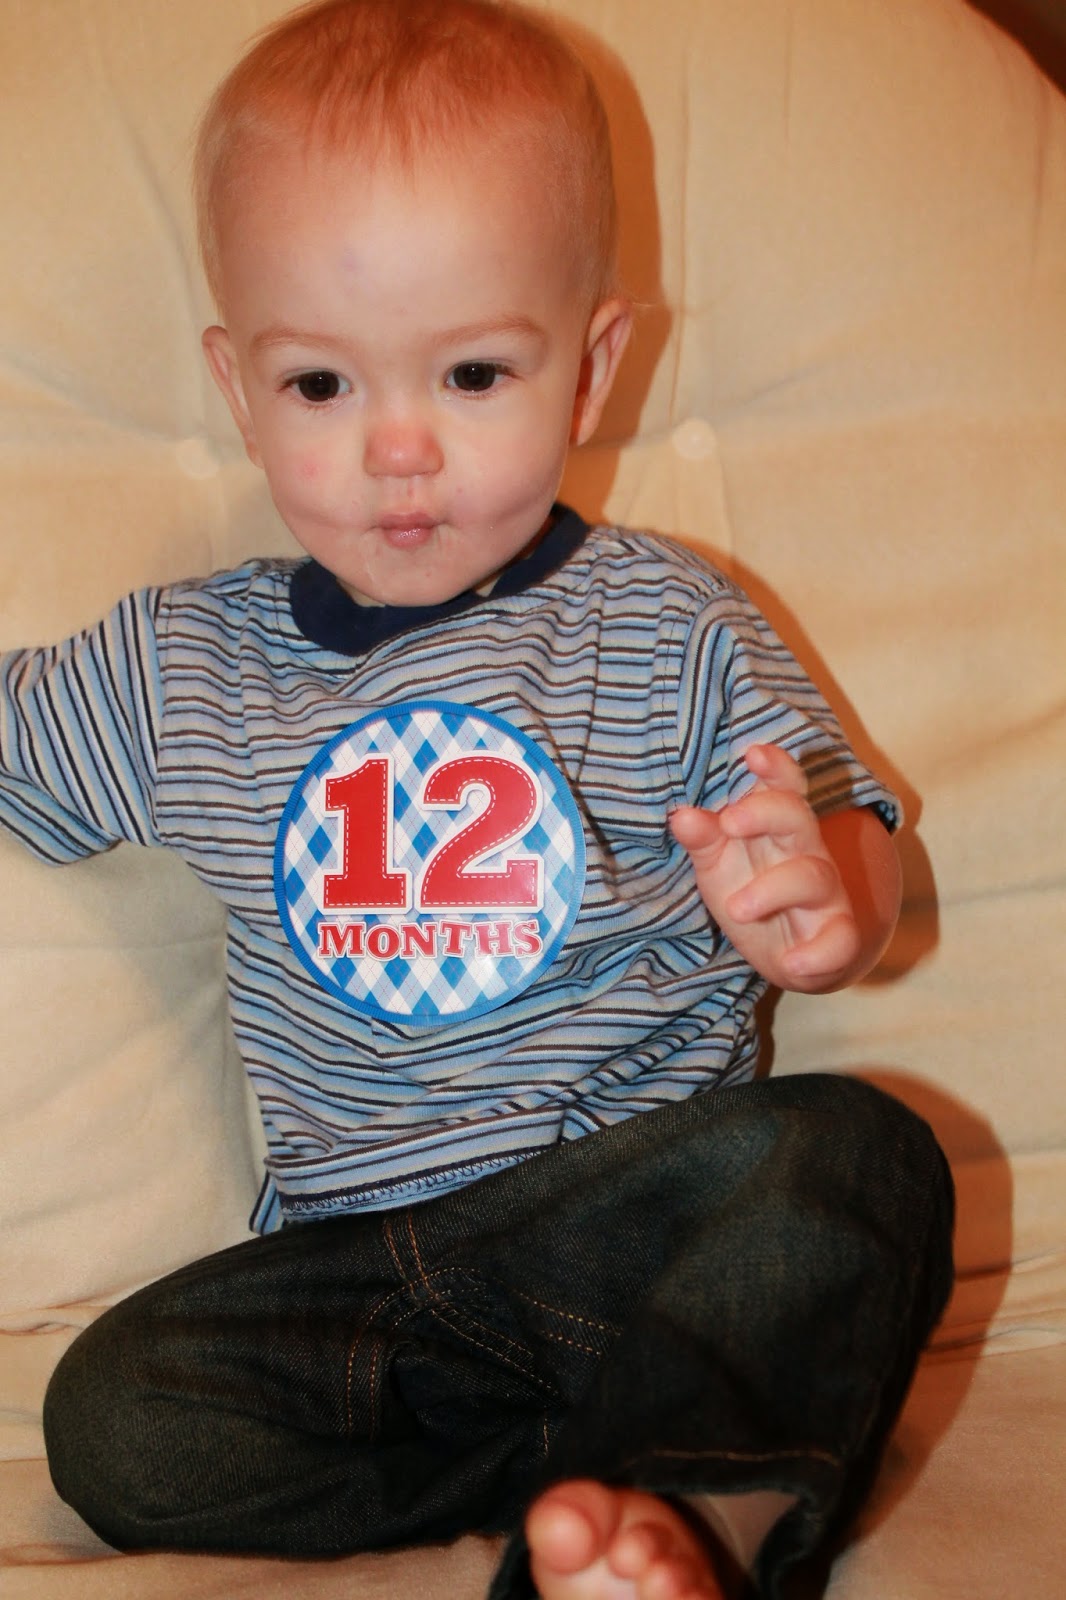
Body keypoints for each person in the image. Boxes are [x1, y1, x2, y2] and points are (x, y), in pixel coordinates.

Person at [0, 1, 954, 1596]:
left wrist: (832, 905)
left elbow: (846, 822)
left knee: (855, 1158)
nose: (397, 448)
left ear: (588, 369)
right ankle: (609, 1481)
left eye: (468, 373)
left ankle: (685, 1531)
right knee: (115, 1416)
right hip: (364, 1279)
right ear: (238, 387)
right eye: (319, 384)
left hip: (637, 1228)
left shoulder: (665, 622)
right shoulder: (183, 669)